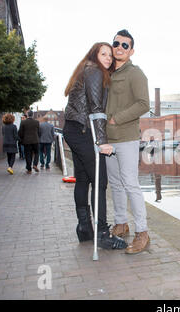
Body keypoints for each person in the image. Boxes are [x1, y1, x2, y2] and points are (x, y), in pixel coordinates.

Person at [63, 42, 127, 250]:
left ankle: (84, 228)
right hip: (83, 131)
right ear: (94, 54)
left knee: (83, 178)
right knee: (99, 180)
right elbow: (96, 108)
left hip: (73, 129)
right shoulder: (95, 72)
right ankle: (102, 234)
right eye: (104, 54)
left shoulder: (85, 70)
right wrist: (102, 142)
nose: (108, 58)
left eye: (110, 55)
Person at [105, 29, 150, 254]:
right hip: (108, 141)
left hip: (127, 138)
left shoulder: (136, 74)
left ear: (131, 51)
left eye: (125, 45)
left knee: (130, 184)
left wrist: (116, 119)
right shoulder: (107, 73)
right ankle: (121, 224)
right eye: (117, 43)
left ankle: (142, 232)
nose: (120, 48)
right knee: (115, 184)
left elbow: (144, 104)